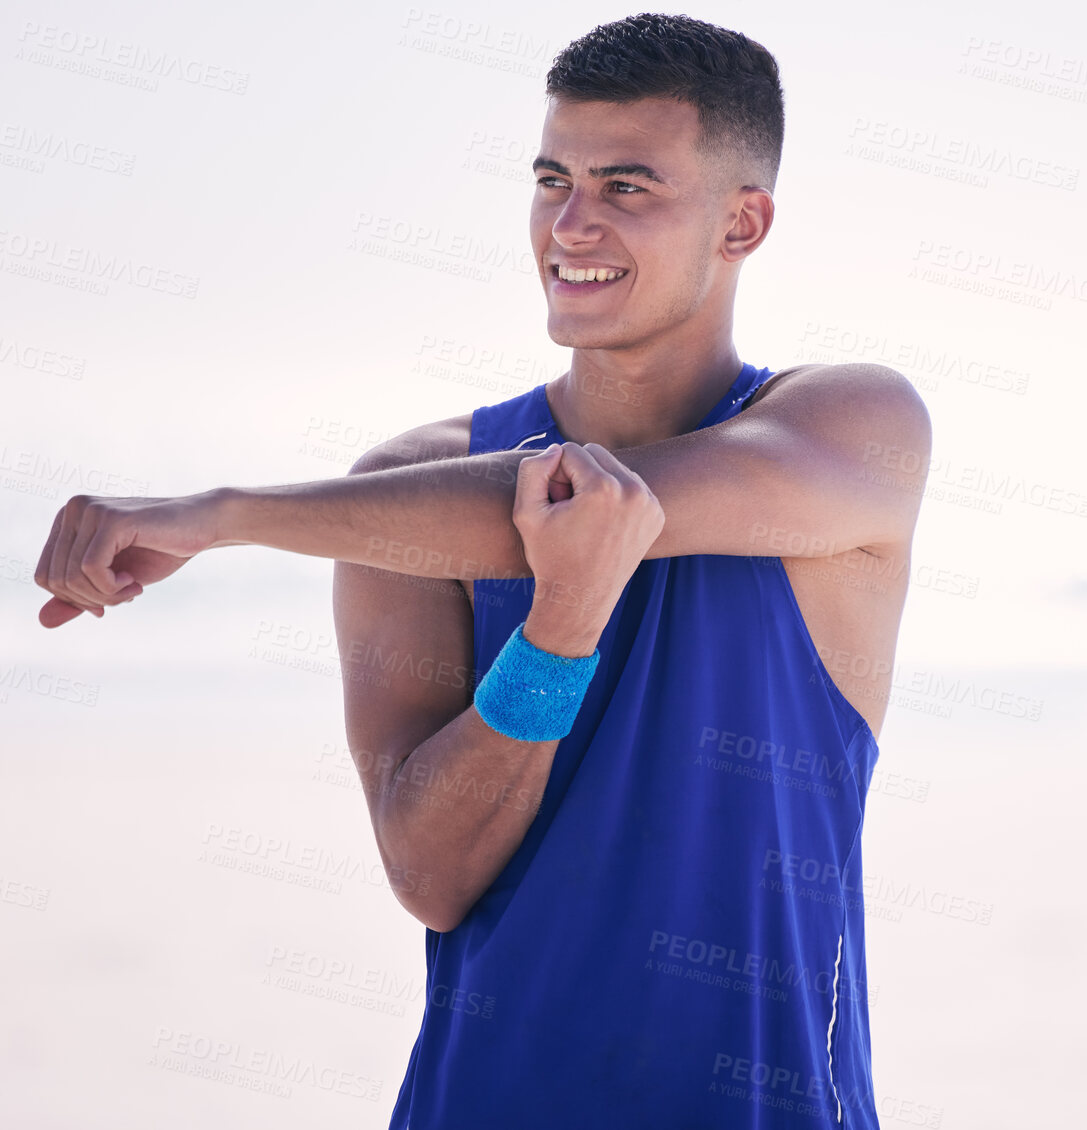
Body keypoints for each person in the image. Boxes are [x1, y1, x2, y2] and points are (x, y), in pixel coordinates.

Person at [32, 13, 931, 1128]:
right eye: (552, 178)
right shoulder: (401, 483)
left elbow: (599, 504)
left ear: (742, 220)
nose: (571, 221)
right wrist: (555, 634)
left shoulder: (853, 426)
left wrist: (230, 514)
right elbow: (433, 872)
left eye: (626, 185)